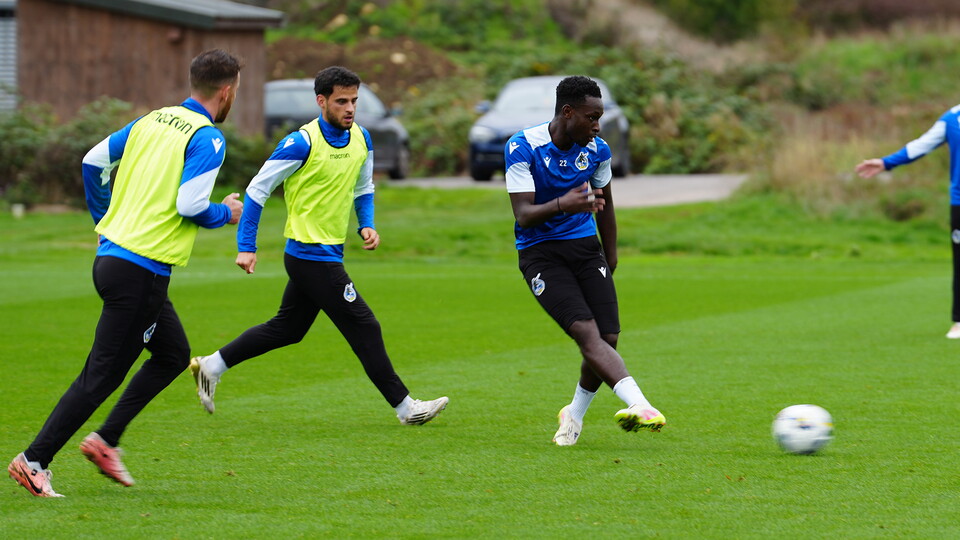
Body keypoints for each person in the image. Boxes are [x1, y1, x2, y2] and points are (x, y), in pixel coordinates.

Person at [7, 49, 244, 497]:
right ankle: (33, 460)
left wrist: (104, 221)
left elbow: (92, 162)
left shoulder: (152, 120)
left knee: (173, 354)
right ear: (228, 91)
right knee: (101, 375)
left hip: (115, 260)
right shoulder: (208, 137)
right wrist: (226, 214)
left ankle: (105, 440)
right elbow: (191, 206)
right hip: (141, 272)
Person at [189, 66, 448, 427]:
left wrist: (367, 223)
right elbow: (257, 191)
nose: (350, 108)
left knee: (288, 329)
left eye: (354, 101)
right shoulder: (300, 143)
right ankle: (407, 408)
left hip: (324, 254)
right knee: (365, 326)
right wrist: (246, 246)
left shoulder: (362, 139)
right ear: (321, 101)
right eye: (342, 101)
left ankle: (211, 365)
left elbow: (364, 187)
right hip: (311, 256)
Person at [505, 75, 665, 447]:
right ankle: (640, 405)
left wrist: (610, 254)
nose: (597, 127)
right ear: (568, 112)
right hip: (540, 253)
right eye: (592, 118)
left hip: (585, 249)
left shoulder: (597, 150)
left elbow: (605, 205)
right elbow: (524, 214)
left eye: (600, 119)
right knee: (586, 333)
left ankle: (573, 414)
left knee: (608, 336)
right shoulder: (522, 146)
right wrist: (565, 203)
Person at [856, 108, 960, 339]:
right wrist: (886, 162)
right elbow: (921, 144)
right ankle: (959, 322)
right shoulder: (953, 118)